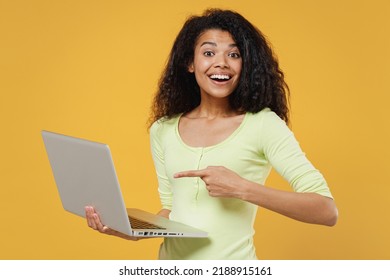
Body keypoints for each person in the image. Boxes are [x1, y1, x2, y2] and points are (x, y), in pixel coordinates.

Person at [85, 8, 338, 260]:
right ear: (190, 63)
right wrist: (131, 230)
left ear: (245, 64)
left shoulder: (262, 124)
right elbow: (172, 210)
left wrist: (242, 188)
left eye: (234, 54)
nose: (222, 63)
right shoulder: (163, 129)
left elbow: (326, 210)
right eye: (209, 53)